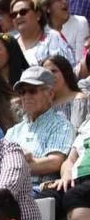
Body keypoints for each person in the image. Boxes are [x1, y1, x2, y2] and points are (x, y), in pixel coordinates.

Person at [4, 65, 75, 193]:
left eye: (32, 91)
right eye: (22, 92)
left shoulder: (61, 125)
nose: (26, 96)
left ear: (50, 93)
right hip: (10, 189)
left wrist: (15, 163)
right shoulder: (14, 131)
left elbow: (54, 162)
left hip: (40, 190)